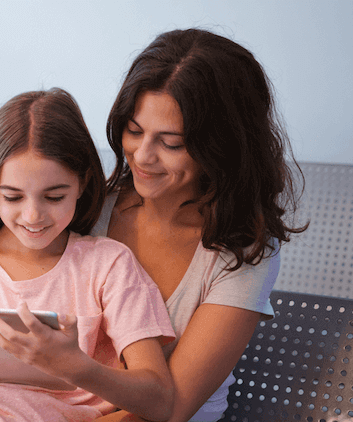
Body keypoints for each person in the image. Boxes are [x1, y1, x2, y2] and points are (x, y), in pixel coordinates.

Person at [0, 88, 178, 422]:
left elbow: (159, 401)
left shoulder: (109, 265)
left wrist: (77, 367)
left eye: (54, 197)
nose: (32, 217)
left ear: (83, 183)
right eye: (12, 197)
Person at [91, 28, 305, 422]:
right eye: (134, 131)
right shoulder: (88, 211)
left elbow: (167, 409)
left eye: (171, 143)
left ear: (220, 147)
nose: (142, 155)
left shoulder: (242, 251)